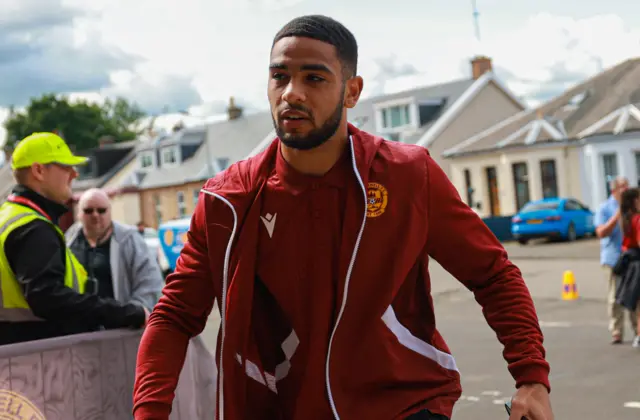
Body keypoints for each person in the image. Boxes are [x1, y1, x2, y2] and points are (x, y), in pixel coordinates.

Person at [133, 15, 553, 420]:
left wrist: (531, 378)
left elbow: (493, 275)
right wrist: (149, 412)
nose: (291, 93)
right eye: (280, 76)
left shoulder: (407, 176)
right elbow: (174, 315)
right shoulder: (228, 200)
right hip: (279, 407)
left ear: (352, 92)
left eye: (314, 78)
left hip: (402, 404)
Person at [0, 132, 148, 346]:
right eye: (65, 167)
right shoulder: (33, 228)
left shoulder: (10, 216)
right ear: (39, 171)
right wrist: (123, 313)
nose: (74, 174)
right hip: (36, 357)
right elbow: (49, 298)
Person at [65, 188, 163, 311]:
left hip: (122, 325)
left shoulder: (130, 240)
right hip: (81, 325)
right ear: (79, 214)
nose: (95, 215)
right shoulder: (69, 241)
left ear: (110, 212)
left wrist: (133, 314)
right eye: (88, 211)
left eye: (101, 210)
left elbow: (150, 284)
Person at [594, 176, 637, 344]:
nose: (626, 190)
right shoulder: (605, 208)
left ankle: (637, 330)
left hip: (632, 257)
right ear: (614, 190)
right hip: (613, 259)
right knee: (615, 297)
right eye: (622, 187)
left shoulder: (634, 208)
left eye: (627, 186)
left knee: (634, 296)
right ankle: (617, 331)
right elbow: (601, 232)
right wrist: (618, 213)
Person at [616, 188, 640, 348]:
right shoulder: (637, 219)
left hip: (630, 264)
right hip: (637, 262)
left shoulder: (625, 219)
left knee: (638, 303)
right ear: (634, 201)